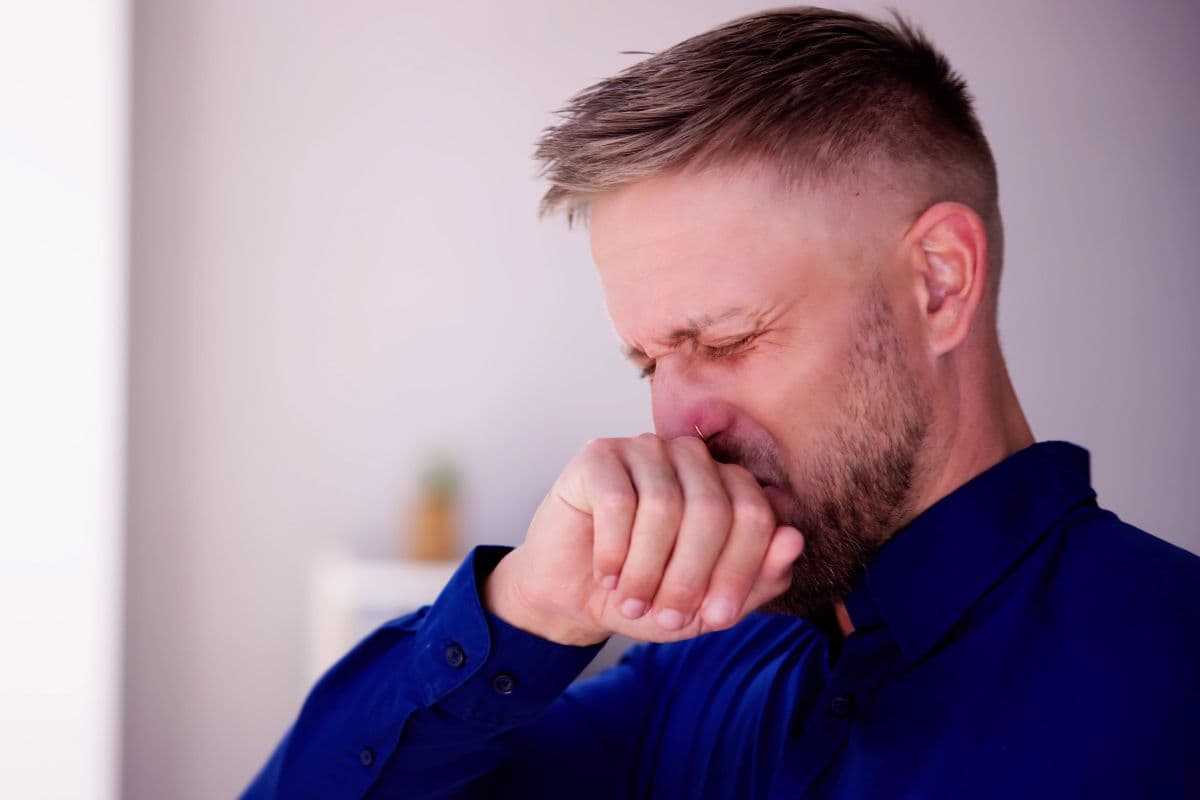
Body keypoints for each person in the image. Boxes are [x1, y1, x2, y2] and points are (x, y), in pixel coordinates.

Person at [242, 7, 1200, 798]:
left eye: (728, 340)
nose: (675, 424)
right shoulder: (692, 675)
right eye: (648, 362)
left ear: (940, 284)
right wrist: (525, 607)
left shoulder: (1176, 682)